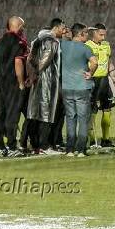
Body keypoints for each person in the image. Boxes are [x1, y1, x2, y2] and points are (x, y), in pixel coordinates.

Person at [26, 18, 66, 155]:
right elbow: (46, 59)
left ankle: (34, 145)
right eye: (63, 28)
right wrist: (37, 72)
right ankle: (44, 146)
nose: (64, 31)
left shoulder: (37, 40)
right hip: (48, 81)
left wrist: (31, 75)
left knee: (34, 112)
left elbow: (30, 58)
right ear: (57, 27)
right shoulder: (52, 41)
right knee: (47, 112)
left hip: (37, 80)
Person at [0, 16, 28, 157]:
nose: (23, 29)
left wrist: (1, 75)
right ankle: (12, 147)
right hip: (13, 82)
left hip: (0, 81)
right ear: (18, 26)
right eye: (22, 26)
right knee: (12, 115)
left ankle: (0, 146)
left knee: (0, 113)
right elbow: (18, 63)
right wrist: (20, 82)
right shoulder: (19, 42)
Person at [62, 23, 98, 157]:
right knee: (83, 119)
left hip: (67, 87)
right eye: (86, 33)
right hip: (82, 87)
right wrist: (90, 73)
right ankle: (81, 149)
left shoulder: (63, 45)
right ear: (81, 34)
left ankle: (70, 149)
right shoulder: (85, 48)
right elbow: (94, 62)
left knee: (70, 118)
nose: (87, 36)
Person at [85, 23, 115, 148]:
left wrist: (113, 79)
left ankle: (106, 139)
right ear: (94, 33)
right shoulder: (87, 46)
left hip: (104, 81)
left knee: (107, 109)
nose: (103, 37)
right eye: (100, 34)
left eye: (104, 35)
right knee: (92, 111)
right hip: (92, 81)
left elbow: (109, 63)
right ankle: (92, 140)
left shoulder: (106, 45)